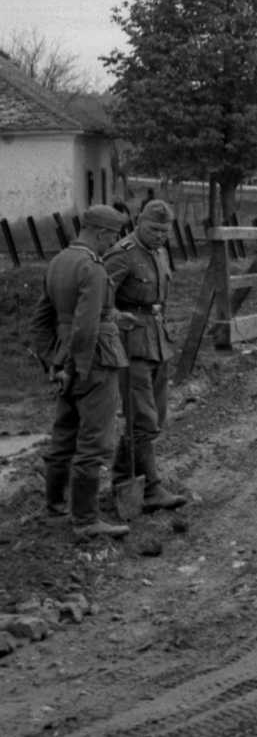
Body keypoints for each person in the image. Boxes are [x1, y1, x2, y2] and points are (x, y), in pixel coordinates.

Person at [28, 204, 131, 538]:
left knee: (63, 439)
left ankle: (55, 511)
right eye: (113, 237)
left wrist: (54, 365)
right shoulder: (93, 268)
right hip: (95, 365)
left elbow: (40, 323)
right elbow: (86, 328)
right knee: (95, 442)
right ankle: (86, 521)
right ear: (101, 233)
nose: (112, 244)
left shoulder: (58, 262)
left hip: (68, 363)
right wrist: (74, 368)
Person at [103, 199, 188, 512]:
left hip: (157, 342)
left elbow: (159, 301)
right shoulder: (122, 254)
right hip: (131, 346)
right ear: (138, 223)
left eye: (165, 230)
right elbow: (99, 298)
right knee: (142, 418)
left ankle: (122, 479)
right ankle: (150, 489)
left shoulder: (161, 253)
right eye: (153, 228)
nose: (159, 235)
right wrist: (114, 320)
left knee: (156, 417)